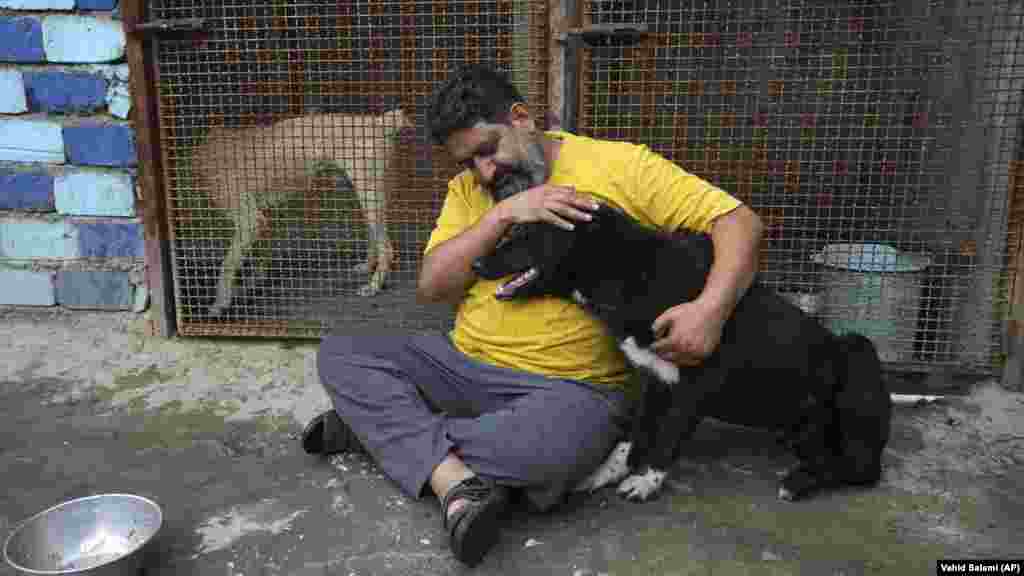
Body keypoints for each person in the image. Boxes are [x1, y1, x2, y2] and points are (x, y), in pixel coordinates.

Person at [302, 63, 765, 566]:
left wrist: (710, 311)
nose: (483, 171)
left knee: (551, 453)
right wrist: (501, 215)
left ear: (521, 117)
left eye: (487, 149)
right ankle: (453, 477)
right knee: (343, 351)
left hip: (572, 390)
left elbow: (737, 221)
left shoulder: (619, 166)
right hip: (462, 365)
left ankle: (379, 432)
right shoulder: (471, 192)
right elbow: (432, 288)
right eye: (467, 162)